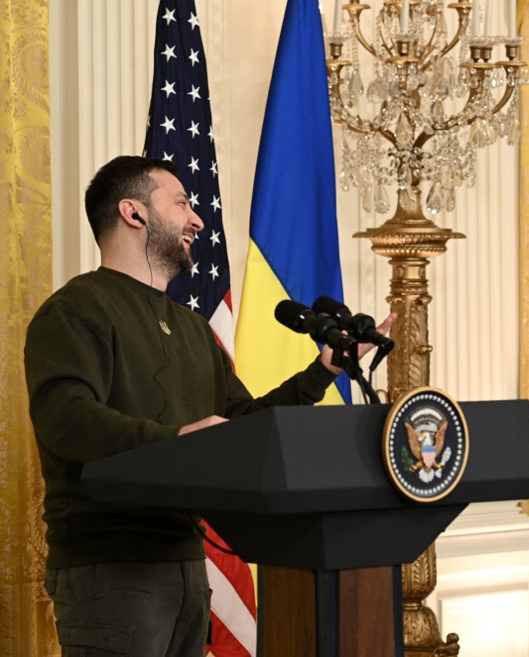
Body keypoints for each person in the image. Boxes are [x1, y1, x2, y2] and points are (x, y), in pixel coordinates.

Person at [24, 155, 395, 656]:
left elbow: (241, 427)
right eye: (181, 203)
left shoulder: (194, 329)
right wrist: (176, 441)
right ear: (134, 213)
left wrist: (321, 372)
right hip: (112, 568)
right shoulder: (75, 309)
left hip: (187, 565)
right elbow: (64, 419)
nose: (198, 220)